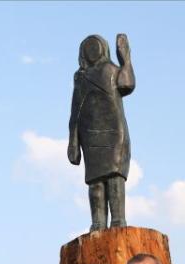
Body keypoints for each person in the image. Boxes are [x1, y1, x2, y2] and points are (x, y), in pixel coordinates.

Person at [68, 33, 135, 231]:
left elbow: (127, 84)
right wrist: (73, 141)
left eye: (94, 47)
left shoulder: (111, 70)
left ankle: (118, 222)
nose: (91, 51)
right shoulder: (80, 77)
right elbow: (75, 111)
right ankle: (97, 223)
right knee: (95, 182)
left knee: (114, 176)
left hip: (113, 131)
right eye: (87, 48)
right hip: (89, 133)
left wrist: (126, 60)